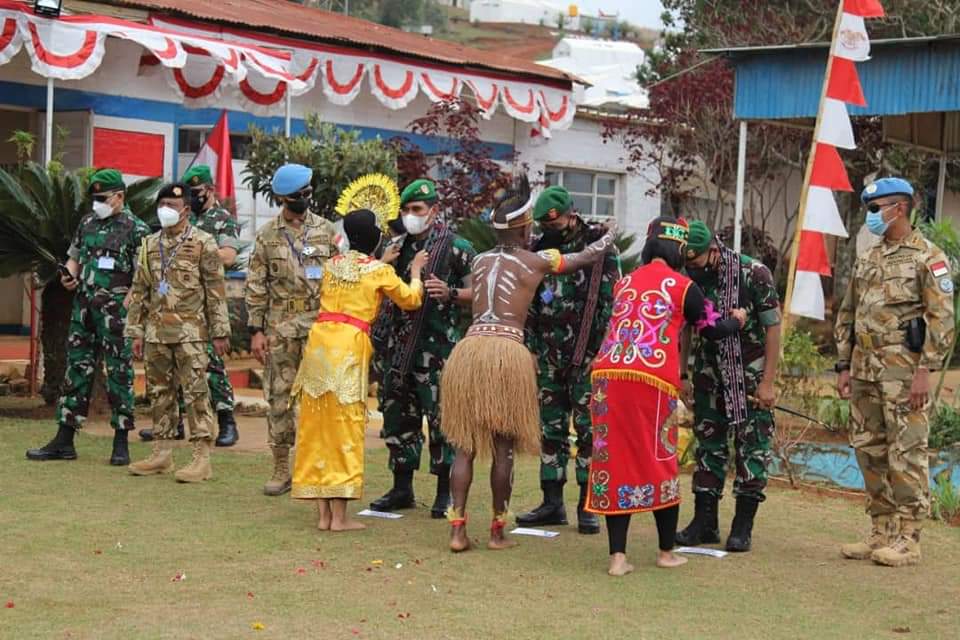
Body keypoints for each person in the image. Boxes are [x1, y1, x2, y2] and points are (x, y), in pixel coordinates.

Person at [440, 177, 616, 552]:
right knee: (502, 449)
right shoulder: (535, 261)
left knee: (464, 447)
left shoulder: (479, 259)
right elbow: (583, 257)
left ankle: (456, 531)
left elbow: (475, 295)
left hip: (469, 350)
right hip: (506, 352)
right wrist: (609, 235)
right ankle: (496, 532)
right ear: (523, 227)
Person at [586, 216, 746, 576]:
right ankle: (665, 551)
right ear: (680, 249)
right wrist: (738, 319)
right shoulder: (684, 286)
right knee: (661, 459)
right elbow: (713, 329)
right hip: (651, 381)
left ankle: (618, 558)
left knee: (617, 463)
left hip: (608, 379)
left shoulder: (624, 283)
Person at [835, 177, 955, 567]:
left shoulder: (928, 257)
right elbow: (848, 313)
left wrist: (927, 370)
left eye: (875, 209)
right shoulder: (869, 257)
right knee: (869, 452)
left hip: (905, 376)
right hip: (865, 372)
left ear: (898, 208)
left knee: (907, 453)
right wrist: (842, 364)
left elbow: (942, 319)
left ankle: (909, 538)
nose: (871, 216)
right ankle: (881, 530)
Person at [291, 209, 426, 531]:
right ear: (376, 239)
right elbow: (410, 299)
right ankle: (340, 518)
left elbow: (356, 275)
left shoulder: (332, 265)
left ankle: (324, 516)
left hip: (319, 346)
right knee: (345, 427)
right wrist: (416, 271)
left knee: (317, 425)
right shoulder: (378, 270)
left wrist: (383, 262)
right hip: (348, 349)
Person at [26, 169, 151, 466]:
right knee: (76, 371)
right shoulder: (87, 223)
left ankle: (121, 441)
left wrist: (131, 308)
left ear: (119, 196)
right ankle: (64, 439)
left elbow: (142, 276)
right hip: (84, 310)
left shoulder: (137, 229)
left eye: (102, 198)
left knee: (119, 374)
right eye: (94, 198)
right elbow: (75, 256)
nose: (97, 203)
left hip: (116, 314)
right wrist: (69, 275)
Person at [517, 185, 620, 535]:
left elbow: (611, 305)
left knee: (589, 432)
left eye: (556, 222)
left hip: (586, 355)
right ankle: (552, 502)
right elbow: (527, 298)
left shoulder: (600, 247)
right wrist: (529, 346)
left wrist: (600, 352)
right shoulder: (537, 247)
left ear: (570, 214)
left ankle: (587, 505)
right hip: (547, 353)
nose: (551, 229)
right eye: (546, 225)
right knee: (551, 430)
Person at [371, 178, 476, 518]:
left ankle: (444, 493)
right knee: (398, 417)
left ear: (434, 210)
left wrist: (452, 293)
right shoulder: (395, 246)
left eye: (417, 209)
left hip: (439, 350)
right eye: (406, 210)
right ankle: (402, 488)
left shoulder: (457, 246)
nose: (411, 215)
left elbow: (480, 292)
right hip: (398, 350)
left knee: (443, 421)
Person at [676, 220, 782, 553]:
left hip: (749, 379)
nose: (692, 268)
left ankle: (742, 526)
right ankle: (704, 522)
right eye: (687, 263)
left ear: (713, 249)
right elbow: (686, 328)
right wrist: (682, 373)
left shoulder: (754, 274)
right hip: (710, 376)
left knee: (752, 449)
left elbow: (773, 328)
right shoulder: (692, 278)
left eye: (696, 261)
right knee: (709, 446)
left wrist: (768, 381)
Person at [124, 183, 231, 483]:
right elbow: (140, 290)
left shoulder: (203, 243)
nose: (165, 210)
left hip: (191, 333)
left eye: (172, 205)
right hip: (156, 333)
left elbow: (215, 291)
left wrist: (220, 331)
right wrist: (135, 331)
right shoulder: (148, 244)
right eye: (162, 205)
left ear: (185, 210)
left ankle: (201, 458)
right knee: (159, 394)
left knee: (196, 393)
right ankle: (162, 452)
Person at [246, 164, 338, 496]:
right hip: (280, 328)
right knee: (279, 398)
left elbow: (341, 277)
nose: (306, 199)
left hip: (319, 326)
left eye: (309, 192)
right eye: (300, 195)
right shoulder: (268, 234)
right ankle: (281, 467)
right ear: (284, 198)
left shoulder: (327, 231)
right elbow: (256, 285)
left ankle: (315, 466)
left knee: (320, 398)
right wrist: (255, 331)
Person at [138, 165, 241, 446]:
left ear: (209, 190)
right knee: (174, 368)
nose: (193, 198)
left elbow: (229, 257)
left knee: (212, 366)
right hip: (173, 305)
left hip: (205, 302)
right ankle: (173, 425)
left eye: (197, 193)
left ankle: (226, 421)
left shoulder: (222, 220)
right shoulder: (181, 216)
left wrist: (197, 255)